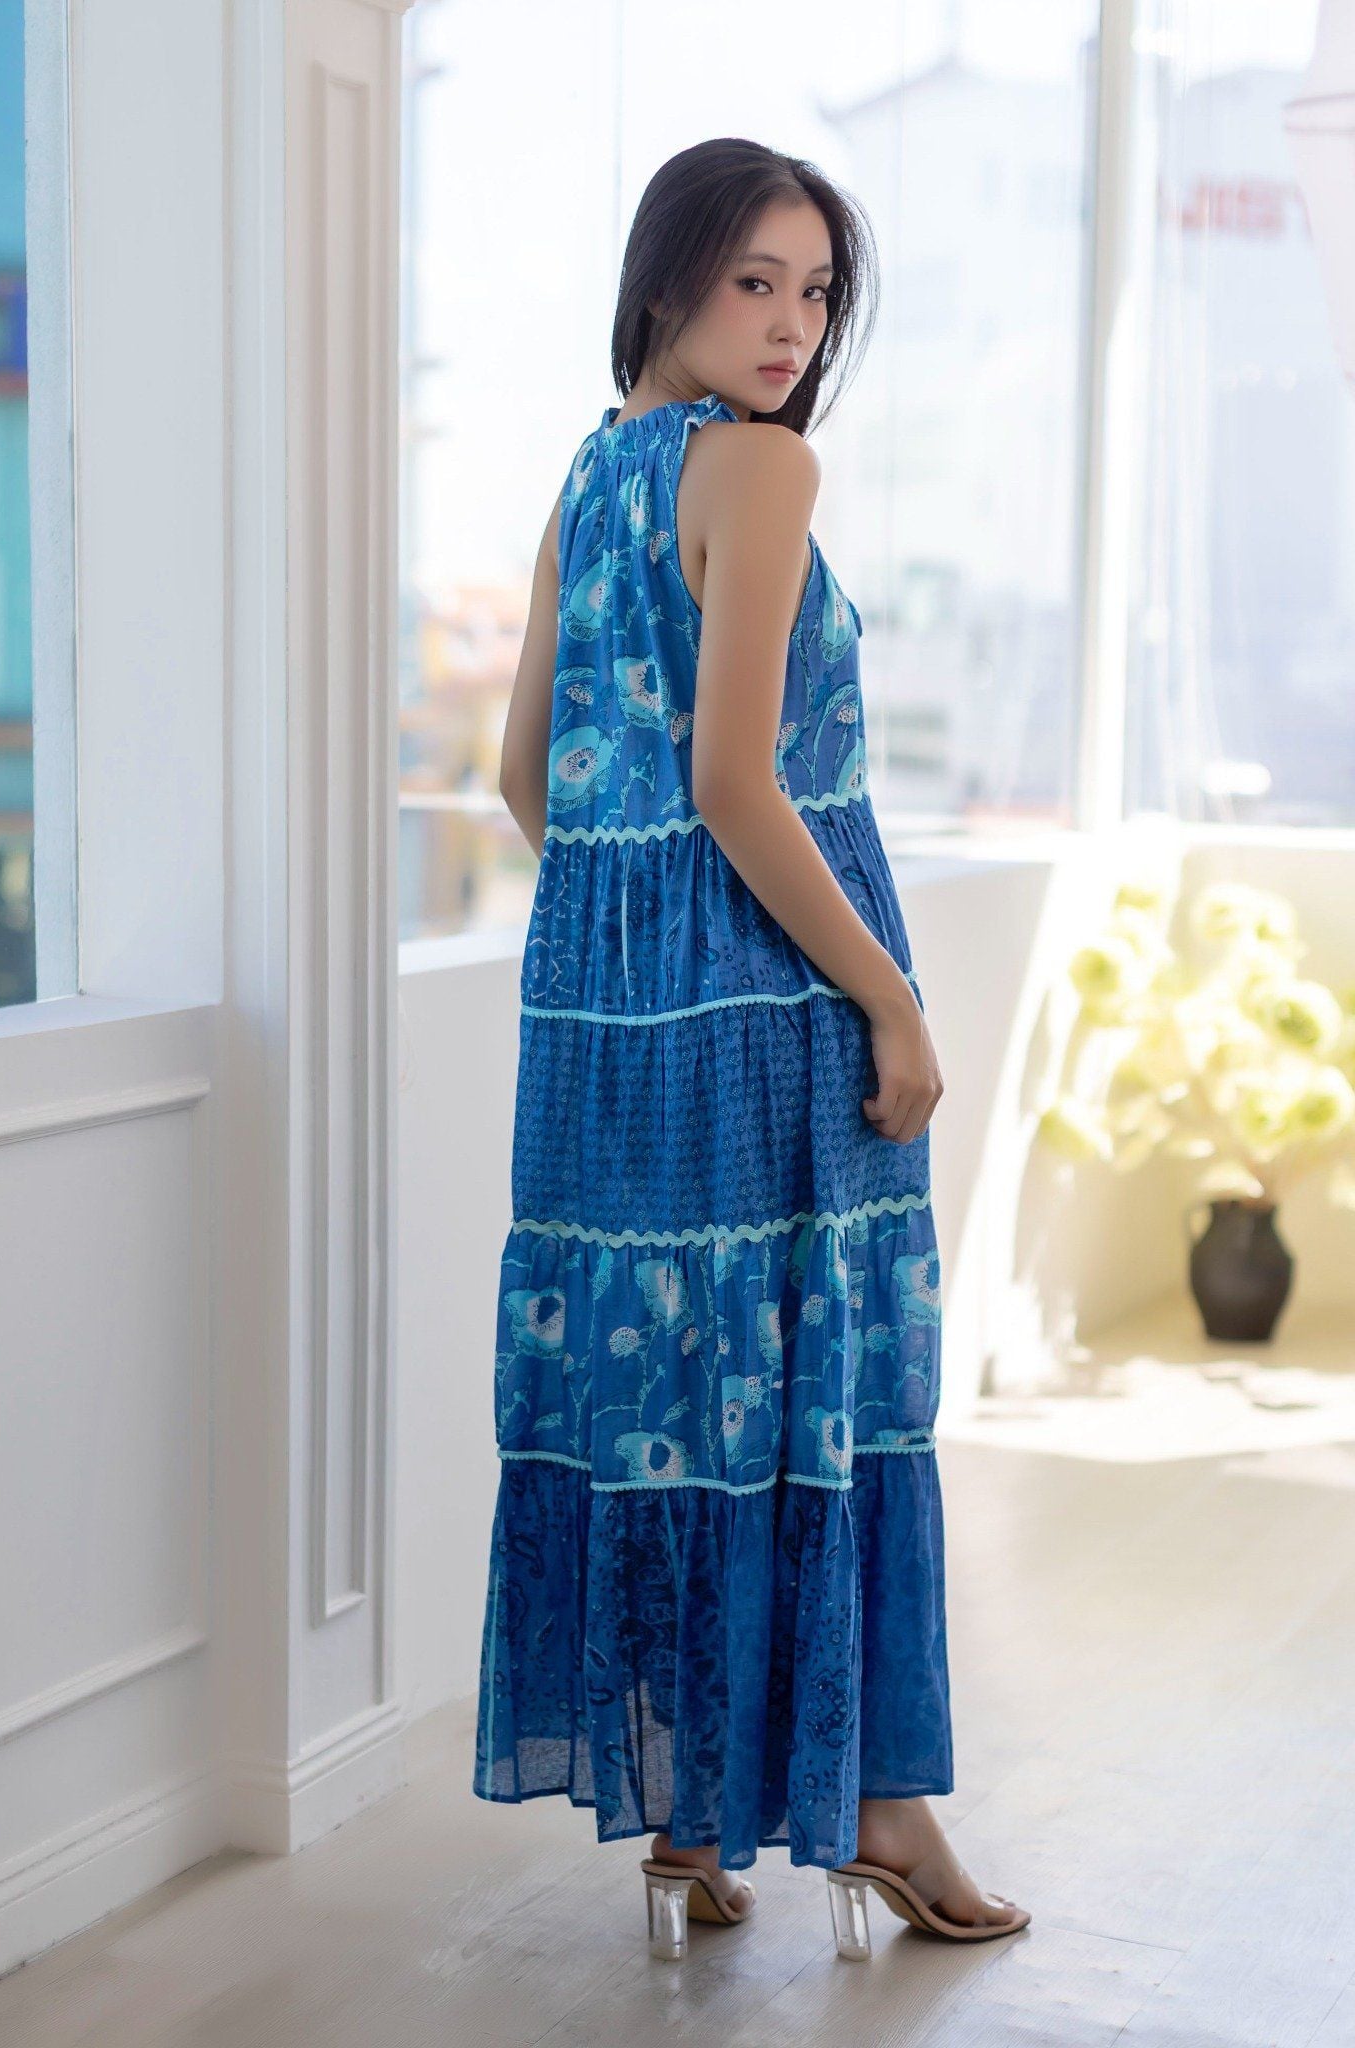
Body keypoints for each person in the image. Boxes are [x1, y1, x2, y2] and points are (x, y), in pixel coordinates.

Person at [472, 136, 1029, 1962]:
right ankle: (882, 1809)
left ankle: (691, 1812)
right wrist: (888, 998)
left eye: (816, 292)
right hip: (780, 1013)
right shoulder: (764, 469)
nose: (792, 326)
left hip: (612, 1035)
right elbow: (736, 779)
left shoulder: (592, 475)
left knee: (673, 1392)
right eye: (754, 282)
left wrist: (646, 948)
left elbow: (524, 777)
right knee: (821, 1394)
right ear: (667, 282)